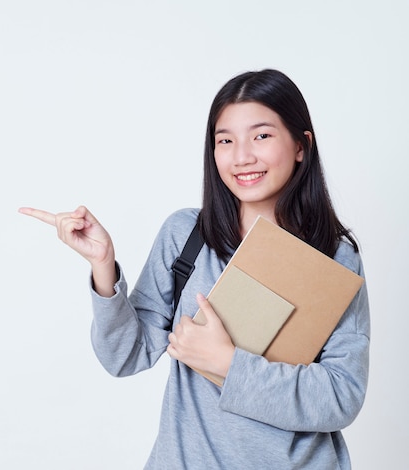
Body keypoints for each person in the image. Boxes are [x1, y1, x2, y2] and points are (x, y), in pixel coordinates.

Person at [18, 69, 370, 469]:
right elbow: (125, 356)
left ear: (301, 145)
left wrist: (227, 363)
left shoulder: (334, 257)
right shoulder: (187, 235)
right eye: (225, 140)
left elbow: (341, 397)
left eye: (262, 136)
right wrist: (103, 267)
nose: (242, 156)